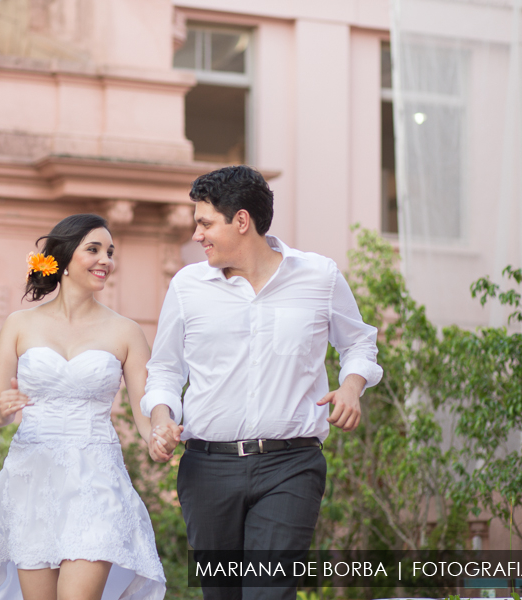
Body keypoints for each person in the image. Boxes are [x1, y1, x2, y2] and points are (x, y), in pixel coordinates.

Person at [142, 166, 383, 600]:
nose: (197, 234)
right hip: (207, 469)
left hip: (289, 466)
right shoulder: (187, 286)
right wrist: (162, 420)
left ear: (241, 221)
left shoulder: (319, 277)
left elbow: (360, 344)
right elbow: (164, 370)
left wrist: (352, 386)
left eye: (205, 222)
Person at [0, 214, 169, 600]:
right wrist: (3, 409)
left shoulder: (127, 331)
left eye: (110, 252)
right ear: (65, 260)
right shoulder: (20, 325)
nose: (106, 260)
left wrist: (159, 437)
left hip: (97, 476)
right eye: (94, 250)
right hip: (32, 475)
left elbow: (145, 410)